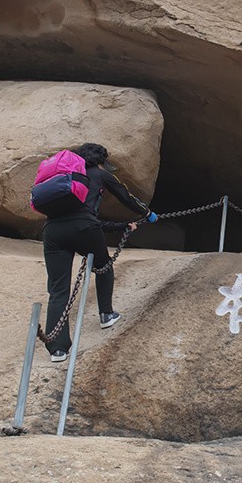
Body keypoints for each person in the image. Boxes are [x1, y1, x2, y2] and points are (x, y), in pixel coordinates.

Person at [42, 142, 158, 362]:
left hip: (53, 232)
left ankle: (57, 349)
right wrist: (148, 213)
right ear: (101, 161)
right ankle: (106, 314)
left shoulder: (66, 177)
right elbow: (125, 196)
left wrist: (119, 226)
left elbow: (78, 216)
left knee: (58, 291)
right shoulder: (99, 174)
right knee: (103, 266)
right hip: (84, 229)